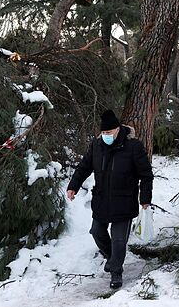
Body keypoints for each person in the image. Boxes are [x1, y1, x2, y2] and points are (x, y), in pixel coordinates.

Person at [66, 109, 153, 289]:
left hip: (124, 201)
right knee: (97, 232)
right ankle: (112, 258)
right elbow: (84, 167)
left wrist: (145, 198)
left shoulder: (133, 147)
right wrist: (73, 185)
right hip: (102, 200)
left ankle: (116, 272)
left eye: (109, 132)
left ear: (118, 129)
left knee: (119, 240)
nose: (106, 136)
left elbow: (146, 175)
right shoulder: (97, 146)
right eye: (103, 133)